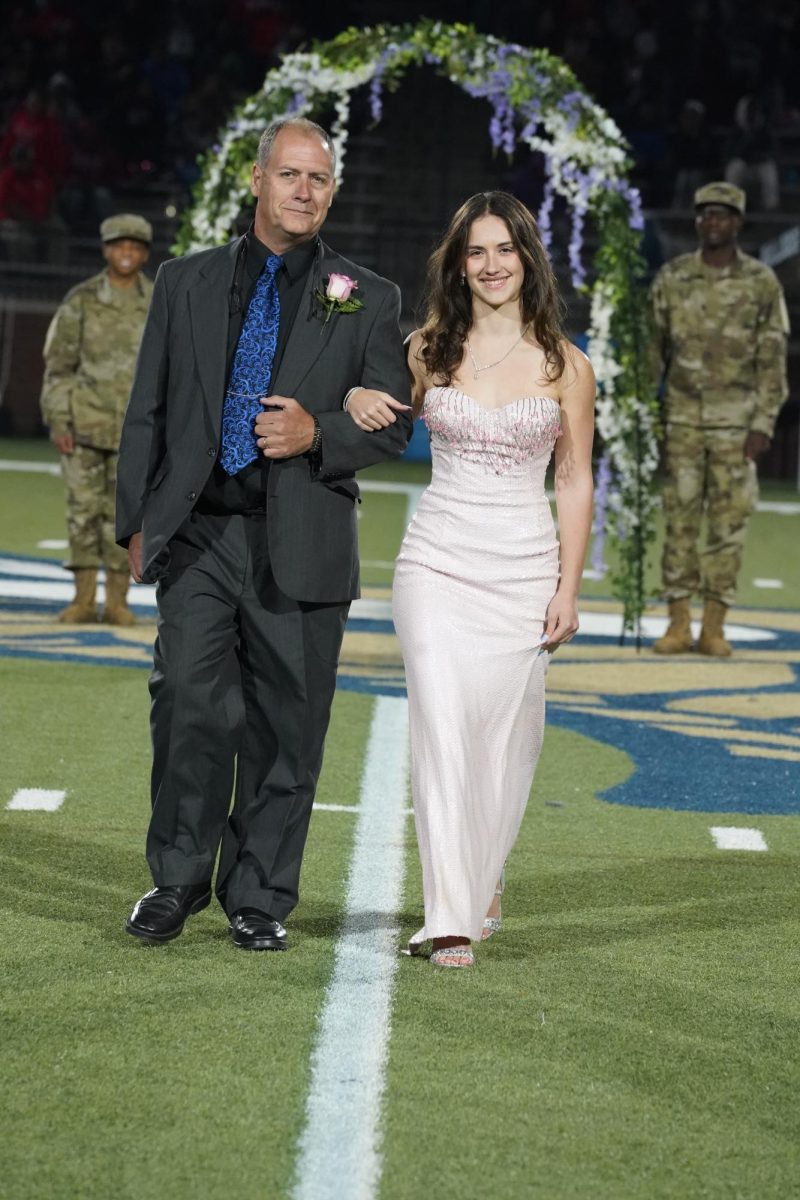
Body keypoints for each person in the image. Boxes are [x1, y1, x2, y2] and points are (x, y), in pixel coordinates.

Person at [117, 117, 412, 950]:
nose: (305, 191)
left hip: (304, 541)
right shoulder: (185, 281)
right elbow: (149, 407)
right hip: (202, 537)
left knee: (289, 724)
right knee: (186, 706)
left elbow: (392, 428)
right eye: (290, 175)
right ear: (258, 181)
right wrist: (134, 524)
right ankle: (176, 880)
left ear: (333, 192)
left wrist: (319, 434)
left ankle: (260, 896)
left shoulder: (368, 296)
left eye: (319, 180)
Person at [346, 191, 595, 967]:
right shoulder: (426, 350)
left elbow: (576, 479)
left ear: (528, 259)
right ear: (458, 264)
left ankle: (482, 877)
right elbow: (371, 405)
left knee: (507, 740)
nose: (490, 266)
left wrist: (568, 588)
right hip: (437, 561)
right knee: (443, 728)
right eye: (475, 252)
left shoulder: (567, 364)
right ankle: (449, 915)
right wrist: (354, 395)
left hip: (523, 568)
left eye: (504, 251)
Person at [650, 182, 789, 656]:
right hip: (683, 422)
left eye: (724, 215)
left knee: (728, 526)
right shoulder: (672, 278)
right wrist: (644, 415)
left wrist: (762, 424)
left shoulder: (760, 283)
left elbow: (773, 360)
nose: (714, 222)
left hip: (737, 426)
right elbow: (653, 355)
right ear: (697, 222)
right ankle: (678, 623)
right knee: (680, 522)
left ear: (738, 224)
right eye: (706, 214)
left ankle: (714, 625)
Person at [40, 212, 153, 624]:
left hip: (135, 433)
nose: (126, 252)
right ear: (106, 250)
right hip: (84, 427)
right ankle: (84, 599)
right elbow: (58, 367)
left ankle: (118, 602)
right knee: (83, 513)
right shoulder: (81, 300)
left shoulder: (159, 301)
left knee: (125, 518)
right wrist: (59, 420)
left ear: (143, 253)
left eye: (135, 246)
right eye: (119, 245)